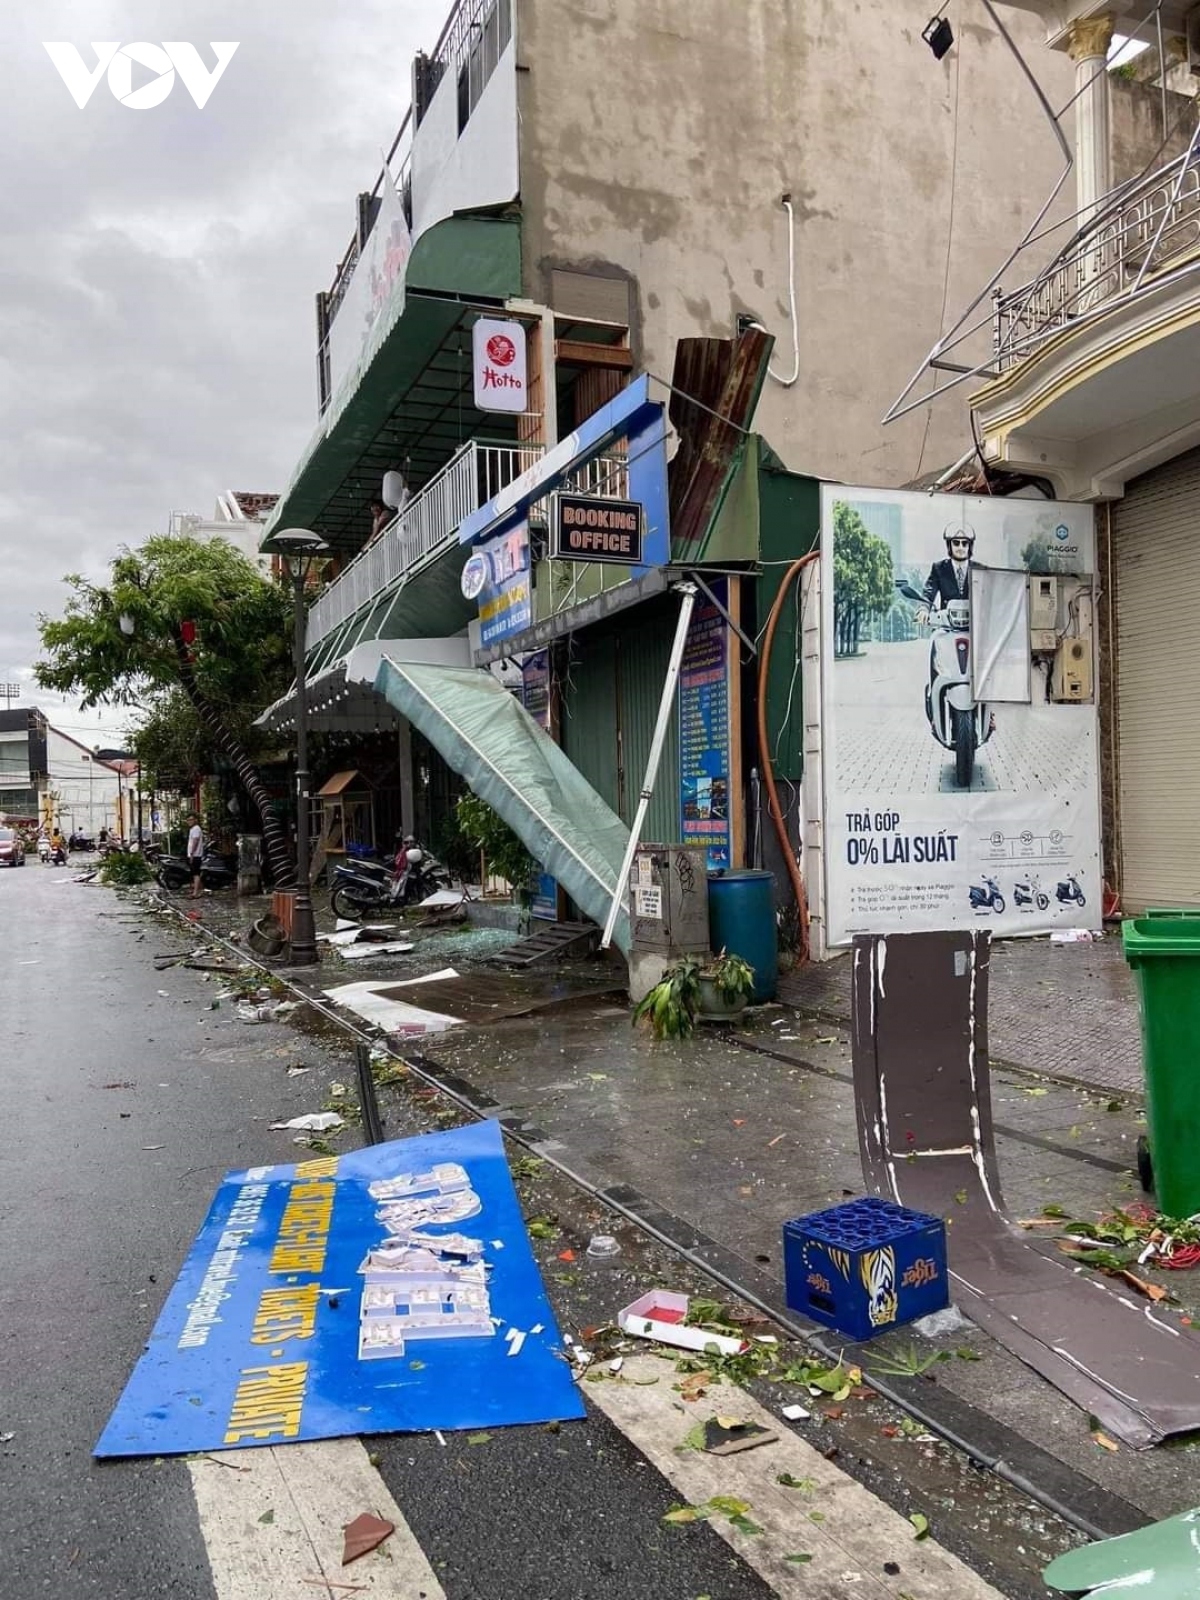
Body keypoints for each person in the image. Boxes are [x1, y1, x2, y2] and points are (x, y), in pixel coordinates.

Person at [917, 526, 976, 625]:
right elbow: (928, 592)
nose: (960, 547)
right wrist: (924, 609)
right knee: (936, 639)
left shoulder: (980, 569)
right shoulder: (939, 568)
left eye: (965, 543)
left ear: (970, 546)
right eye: (956, 543)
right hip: (947, 627)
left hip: (974, 629)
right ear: (949, 545)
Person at [186, 813, 205, 899]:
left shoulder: (196, 829)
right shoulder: (193, 829)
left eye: (191, 820)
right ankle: (199, 890)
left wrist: (192, 854)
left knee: (196, 873)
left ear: (195, 820)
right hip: (194, 854)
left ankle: (195, 893)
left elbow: (195, 841)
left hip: (196, 855)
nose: (189, 821)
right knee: (194, 873)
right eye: (188, 820)